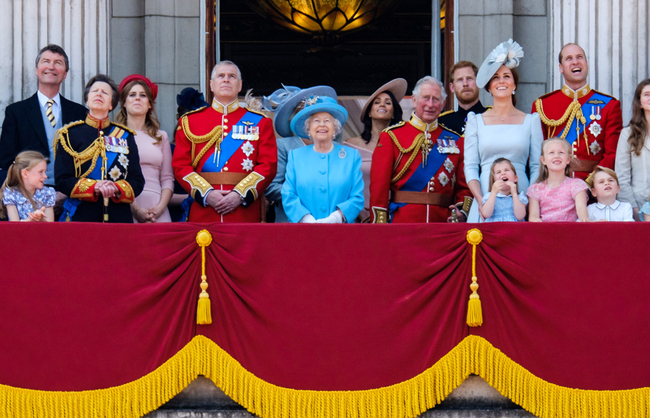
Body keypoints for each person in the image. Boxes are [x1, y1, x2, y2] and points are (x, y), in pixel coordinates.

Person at [172, 60, 277, 222]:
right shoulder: (189, 121)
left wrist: (240, 195)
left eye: (232, 76)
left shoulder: (261, 122)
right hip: (204, 211)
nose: (226, 79)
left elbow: (268, 166)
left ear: (240, 85)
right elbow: (181, 166)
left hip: (244, 212)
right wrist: (206, 194)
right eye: (221, 76)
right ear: (212, 85)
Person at [369, 76, 472, 223]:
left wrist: (461, 211)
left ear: (443, 104)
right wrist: (380, 224)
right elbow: (379, 187)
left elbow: (464, 186)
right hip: (402, 223)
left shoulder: (457, 140)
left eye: (435, 99)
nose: (430, 104)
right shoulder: (391, 136)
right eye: (425, 98)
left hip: (442, 224)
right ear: (414, 100)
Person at [465, 39, 543, 219]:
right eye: (495, 77)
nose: (501, 81)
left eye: (506, 76)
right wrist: (480, 199)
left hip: (520, 198)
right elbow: (470, 166)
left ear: (514, 85)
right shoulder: (475, 121)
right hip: (485, 199)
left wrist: (531, 202)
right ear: (489, 87)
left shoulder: (531, 120)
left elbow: (536, 166)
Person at [54, 74, 145, 222]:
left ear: (112, 104)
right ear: (87, 100)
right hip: (82, 215)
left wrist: (116, 188)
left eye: (105, 92)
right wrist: (94, 187)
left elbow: (137, 181)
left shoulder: (125, 136)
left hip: (118, 216)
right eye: (95, 91)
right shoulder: (69, 135)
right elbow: (62, 179)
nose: (99, 94)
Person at [532, 43, 623, 180]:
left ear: (586, 64)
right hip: (554, 184)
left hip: (595, 186)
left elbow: (612, 154)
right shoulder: (543, 105)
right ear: (561, 68)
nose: (575, 62)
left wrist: (592, 183)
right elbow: (536, 154)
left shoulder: (609, 105)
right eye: (569, 58)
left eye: (579, 57)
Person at [0, 44, 87, 187]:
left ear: (65, 73)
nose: (51, 67)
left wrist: (66, 194)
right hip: (29, 197)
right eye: (46, 61)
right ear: (36, 70)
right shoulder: (15, 112)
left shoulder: (79, 113)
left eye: (58, 63)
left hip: (69, 197)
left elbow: (86, 161)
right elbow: (6, 162)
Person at [281, 96, 363, 223]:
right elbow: (288, 195)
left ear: (335, 128)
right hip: (303, 231)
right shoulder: (295, 156)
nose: (322, 125)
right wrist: (306, 219)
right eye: (316, 121)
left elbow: (357, 197)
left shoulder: (351, 156)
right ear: (308, 129)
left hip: (341, 231)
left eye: (327, 121)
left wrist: (335, 218)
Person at [263, 85, 337, 223]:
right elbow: (272, 187)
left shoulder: (338, 148)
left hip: (330, 220)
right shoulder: (284, 146)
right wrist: (308, 194)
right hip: (291, 220)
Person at [343, 78, 406, 222]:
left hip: (394, 216)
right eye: (377, 102)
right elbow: (343, 183)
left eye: (388, 103)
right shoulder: (350, 146)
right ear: (369, 113)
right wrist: (359, 212)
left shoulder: (403, 147)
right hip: (357, 217)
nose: (382, 104)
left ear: (393, 113)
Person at [116, 74, 174, 223]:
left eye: (142, 95)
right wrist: (135, 209)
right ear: (123, 102)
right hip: (125, 206)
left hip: (157, 208)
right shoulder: (114, 136)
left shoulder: (161, 136)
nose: (137, 98)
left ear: (149, 104)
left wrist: (160, 207)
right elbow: (114, 178)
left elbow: (167, 178)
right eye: (132, 94)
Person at [527, 138, 589, 222]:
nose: (556, 156)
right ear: (543, 160)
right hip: (545, 233)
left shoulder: (576, 185)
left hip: (570, 232)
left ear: (568, 159)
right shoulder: (535, 189)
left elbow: (582, 213)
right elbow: (533, 218)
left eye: (561, 152)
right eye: (551, 153)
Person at [615, 79, 650, 221]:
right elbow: (621, 176)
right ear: (640, 102)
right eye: (647, 94)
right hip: (638, 205)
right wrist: (632, 209)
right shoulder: (628, 134)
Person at [0, 151, 55, 221]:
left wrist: (41, 219)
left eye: (45, 171)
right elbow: (14, 226)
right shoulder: (10, 194)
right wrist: (30, 220)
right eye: (40, 172)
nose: (45, 176)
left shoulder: (48, 193)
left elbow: (50, 227)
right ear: (25, 173)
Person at [439, 61, 489, 134]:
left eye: (469, 78)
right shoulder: (442, 123)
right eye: (460, 80)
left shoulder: (493, 118)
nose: (465, 84)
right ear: (452, 87)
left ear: (479, 82)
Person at [481, 158, 527, 222]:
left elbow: (520, 216)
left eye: (507, 170)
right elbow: (486, 214)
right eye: (498, 172)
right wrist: (494, 193)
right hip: (495, 229)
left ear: (515, 178)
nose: (503, 173)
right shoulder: (489, 196)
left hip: (514, 229)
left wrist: (514, 194)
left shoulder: (520, 198)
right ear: (494, 180)